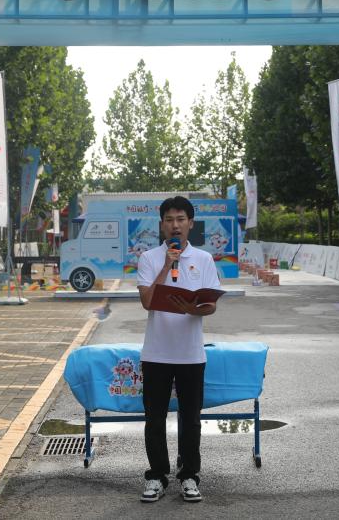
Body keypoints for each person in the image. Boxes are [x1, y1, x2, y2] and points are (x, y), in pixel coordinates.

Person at [136, 196, 220, 503]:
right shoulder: (149, 258)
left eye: (181, 219)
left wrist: (191, 309)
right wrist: (167, 265)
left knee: (191, 419)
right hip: (156, 353)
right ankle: (157, 476)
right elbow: (148, 302)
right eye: (169, 219)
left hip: (191, 354)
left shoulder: (204, 259)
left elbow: (210, 305)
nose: (175, 225)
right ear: (162, 225)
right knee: (154, 418)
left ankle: (189, 476)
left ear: (190, 223)